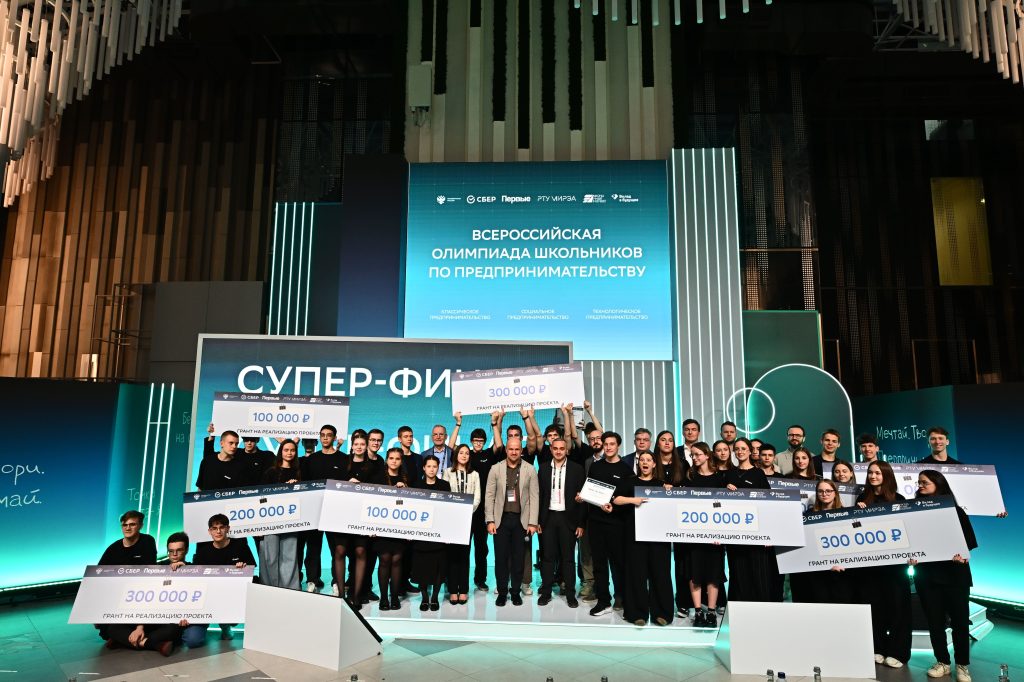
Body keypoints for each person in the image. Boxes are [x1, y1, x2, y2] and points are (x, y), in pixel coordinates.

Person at [913, 470, 977, 682]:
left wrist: (963, 556)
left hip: (955, 576)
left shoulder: (956, 511)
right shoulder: (914, 512)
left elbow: (969, 542)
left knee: (960, 623)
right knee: (934, 622)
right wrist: (909, 556)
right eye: (919, 482)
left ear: (938, 484)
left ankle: (962, 665)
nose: (920, 485)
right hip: (927, 576)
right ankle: (942, 662)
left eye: (925, 482)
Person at [855, 461, 911, 669]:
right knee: (874, 608)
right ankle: (877, 648)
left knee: (898, 608)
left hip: (894, 566)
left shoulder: (899, 499)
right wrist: (858, 513)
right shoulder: (862, 499)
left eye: (877, 473)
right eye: (870, 472)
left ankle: (898, 652)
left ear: (886, 475)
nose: (873, 476)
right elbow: (856, 529)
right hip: (870, 566)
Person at [616, 452, 673, 626]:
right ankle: (637, 613)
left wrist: (669, 492)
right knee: (636, 574)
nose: (645, 462)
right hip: (635, 535)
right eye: (642, 460)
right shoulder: (629, 481)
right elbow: (616, 499)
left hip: (658, 536)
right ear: (638, 463)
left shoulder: (662, 484)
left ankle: (661, 613)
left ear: (654, 464)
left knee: (660, 573)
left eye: (648, 460)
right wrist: (633, 500)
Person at [581, 431, 632, 617]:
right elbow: (590, 490)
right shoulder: (595, 467)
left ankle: (622, 597)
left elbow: (628, 498)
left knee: (618, 563)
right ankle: (603, 601)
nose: (609, 447)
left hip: (616, 524)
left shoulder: (626, 470)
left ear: (618, 446)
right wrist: (582, 496)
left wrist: (614, 508)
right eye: (606, 444)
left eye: (612, 444)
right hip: (596, 522)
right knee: (599, 564)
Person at [484, 437, 539, 606]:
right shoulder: (495, 469)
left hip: (521, 521)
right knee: (500, 559)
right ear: (506, 450)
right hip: (500, 520)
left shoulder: (530, 469)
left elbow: (534, 497)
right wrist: (490, 520)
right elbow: (489, 496)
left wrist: (532, 522)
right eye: (511, 449)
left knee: (518, 559)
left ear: (521, 451)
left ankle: (515, 592)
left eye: (517, 449)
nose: (514, 452)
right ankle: (502, 592)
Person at [723, 438, 777, 603]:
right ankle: (739, 609)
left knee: (759, 573)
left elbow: (768, 503)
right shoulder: (729, 474)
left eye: (743, 448)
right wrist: (725, 490)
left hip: (756, 532)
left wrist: (768, 532)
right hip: (735, 532)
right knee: (738, 573)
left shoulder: (758, 473)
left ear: (750, 451)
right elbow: (720, 503)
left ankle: (762, 610)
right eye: (737, 449)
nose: (740, 452)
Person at [455, 411, 503, 592]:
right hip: (465, 509)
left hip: (483, 510)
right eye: (475, 441)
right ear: (471, 441)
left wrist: (494, 423)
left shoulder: (489, 455)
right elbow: (451, 447)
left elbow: (499, 445)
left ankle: (480, 579)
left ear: (484, 442)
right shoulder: (466, 456)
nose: (478, 443)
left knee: (481, 548)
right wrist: (458, 424)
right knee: (463, 547)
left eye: (481, 441)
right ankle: (460, 581)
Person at [299, 424, 348, 594]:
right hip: (314, 511)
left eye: (329, 435)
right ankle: (312, 579)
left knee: (336, 548)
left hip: (335, 511)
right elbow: (304, 484)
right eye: (322, 435)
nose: (325, 438)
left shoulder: (344, 459)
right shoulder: (311, 460)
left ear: (334, 437)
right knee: (313, 548)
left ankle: (336, 580)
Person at [682, 442, 726, 627]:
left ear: (707, 455)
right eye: (692, 455)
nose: (695, 458)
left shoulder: (720, 478)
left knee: (714, 574)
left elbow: (725, 506)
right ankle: (698, 611)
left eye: (698, 454)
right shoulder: (689, 477)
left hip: (715, 535)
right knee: (695, 573)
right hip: (694, 535)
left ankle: (712, 611)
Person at [537, 437, 585, 608]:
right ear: (551, 450)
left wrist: (581, 524)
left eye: (561, 448)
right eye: (555, 448)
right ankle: (546, 593)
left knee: (568, 559)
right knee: (547, 558)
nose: (558, 451)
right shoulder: (543, 468)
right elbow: (539, 496)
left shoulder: (577, 469)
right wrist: (537, 521)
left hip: (568, 518)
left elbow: (583, 499)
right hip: (548, 518)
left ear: (567, 450)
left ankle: (571, 595)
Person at [193, 514, 256, 640]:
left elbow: (251, 568)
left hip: (234, 592)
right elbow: (196, 577)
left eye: (221, 527)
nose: (218, 531)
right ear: (209, 531)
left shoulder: (240, 546)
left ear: (227, 529)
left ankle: (228, 624)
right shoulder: (203, 552)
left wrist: (243, 568)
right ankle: (223, 624)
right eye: (214, 528)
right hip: (211, 594)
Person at [790, 480, 852, 605]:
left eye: (828, 491)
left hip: (841, 571)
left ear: (835, 493)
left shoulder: (846, 514)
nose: (824, 494)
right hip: (816, 572)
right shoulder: (808, 515)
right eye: (821, 491)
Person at [258, 440, 302, 590]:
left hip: (291, 520)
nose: (289, 453)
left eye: (292, 450)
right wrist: (284, 488)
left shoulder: (299, 472)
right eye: (286, 450)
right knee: (270, 556)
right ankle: (269, 588)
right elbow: (262, 497)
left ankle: (290, 589)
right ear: (281, 452)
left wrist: (297, 487)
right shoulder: (270, 472)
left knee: (289, 556)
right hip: (271, 520)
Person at [441, 444, 481, 605]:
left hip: (468, 519)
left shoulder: (474, 474)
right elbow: (444, 495)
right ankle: (452, 590)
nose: (464, 455)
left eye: (467, 453)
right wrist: (454, 513)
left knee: (465, 554)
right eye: (461, 453)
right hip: (451, 519)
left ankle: (463, 589)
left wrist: (466, 512)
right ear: (456, 455)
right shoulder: (447, 473)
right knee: (452, 555)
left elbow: (477, 497)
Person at [412, 454, 451, 611]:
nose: (431, 469)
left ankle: (434, 597)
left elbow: (448, 509)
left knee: (438, 566)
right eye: (428, 466)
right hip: (421, 534)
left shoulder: (444, 485)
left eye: (434, 466)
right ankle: (424, 597)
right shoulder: (416, 485)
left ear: (438, 468)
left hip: (438, 532)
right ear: (423, 468)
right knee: (421, 566)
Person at [372, 448, 409, 611]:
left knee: (397, 561)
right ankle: (384, 598)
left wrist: (404, 491)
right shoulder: (378, 478)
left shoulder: (405, 479)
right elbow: (373, 503)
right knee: (385, 559)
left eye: (397, 459)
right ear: (386, 460)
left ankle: (394, 597)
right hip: (382, 527)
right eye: (391, 458)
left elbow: (408, 506)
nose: (394, 461)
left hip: (399, 528)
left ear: (401, 461)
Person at [160, 533, 207, 648]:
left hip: (191, 617)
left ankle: (175, 636)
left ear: (186, 550)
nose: (174, 554)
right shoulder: (159, 567)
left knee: (193, 641)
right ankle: (174, 635)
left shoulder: (196, 569)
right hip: (167, 616)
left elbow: (201, 597)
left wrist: (185, 571)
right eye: (171, 551)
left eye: (179, 550)